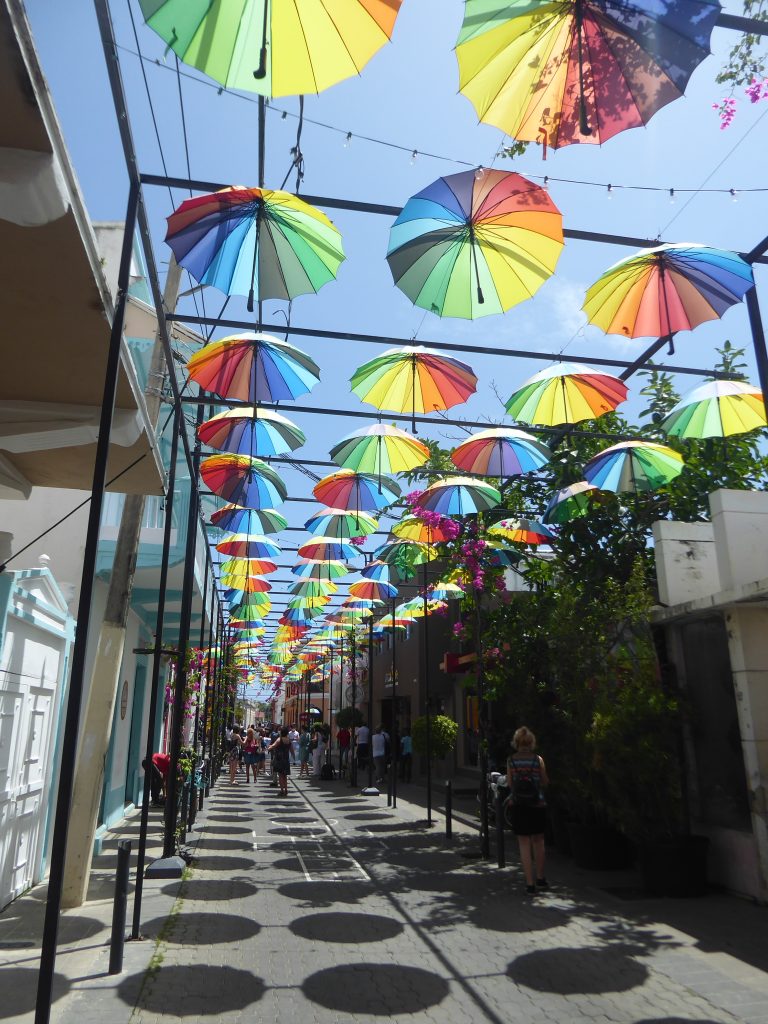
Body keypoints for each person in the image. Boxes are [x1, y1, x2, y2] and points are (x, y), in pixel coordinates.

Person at [506, 726, 548, 895]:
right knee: (538, 841)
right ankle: (540, 878)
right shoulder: (538, 760)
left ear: (516, 743)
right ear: (531, 743)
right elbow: (545, 781)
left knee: (523, 843)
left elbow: (510, 784)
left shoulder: (511, 761)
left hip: (519, 805)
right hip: (537, 804)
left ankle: (529, 884)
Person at [269, 727, 292, 797]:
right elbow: (292, 749)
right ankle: (286, 790)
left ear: (281, 733)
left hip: (279, 759)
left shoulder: (279, 739)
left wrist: (269, 747)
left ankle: (282, 790)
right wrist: (293, 756)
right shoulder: (288, 740)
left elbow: (273, 746)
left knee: (280, 775)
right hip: (286, 759)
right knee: (285, 776)